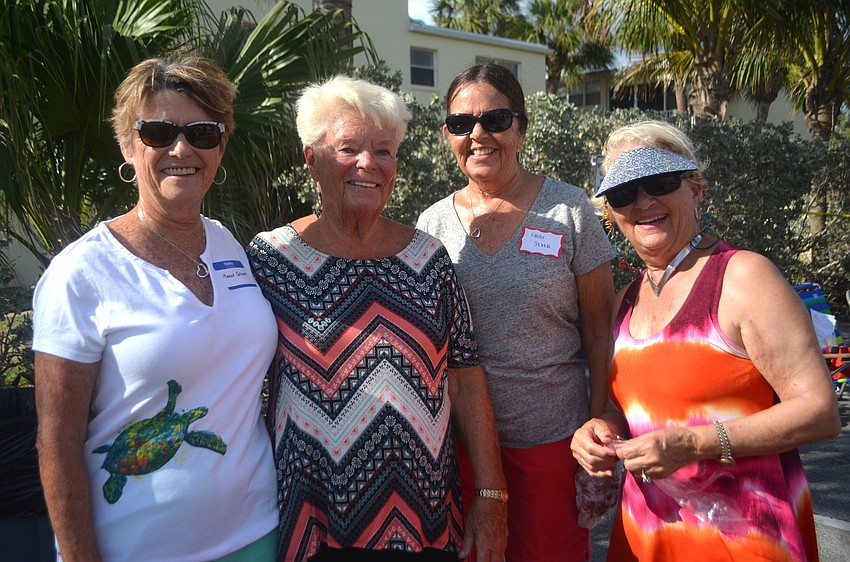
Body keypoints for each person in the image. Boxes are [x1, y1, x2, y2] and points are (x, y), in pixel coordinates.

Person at [246, 75, 508, 562]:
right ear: (312, 159)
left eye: (383, 151)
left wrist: (490, 498)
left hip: (425, 520)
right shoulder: (270, 259)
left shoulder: (429, 259)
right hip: (313, 521)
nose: (369, 164)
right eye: (349, 148)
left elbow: (467, 379)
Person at [32, 56, 278, 561]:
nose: (181, 149)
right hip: (137, 548)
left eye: (202, 133)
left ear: (220, 145)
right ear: (127, 144)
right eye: (159, 131)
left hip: (258, 532)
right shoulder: (80, 275)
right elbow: (56, 444)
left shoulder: (230, 245)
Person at [570, 120, 842, 562]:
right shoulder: (626, 300)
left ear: (695, 188)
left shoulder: (744, 278)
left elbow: (819, 411)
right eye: (623, 193)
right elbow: (621, 407)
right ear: (612, 212)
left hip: (746, 539)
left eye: (659, 182)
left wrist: (694, 444)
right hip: (645, 538)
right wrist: (599, 430)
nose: (643, 202)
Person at [416, 63, 616, 561]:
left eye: (496, 119)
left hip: (551, 445)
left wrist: (597, 426)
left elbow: (600, 333)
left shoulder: (569, 210)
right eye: (462, 124)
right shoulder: (431, 224)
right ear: (448, 136)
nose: (478, 134)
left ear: (521, 129)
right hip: (459, 449)